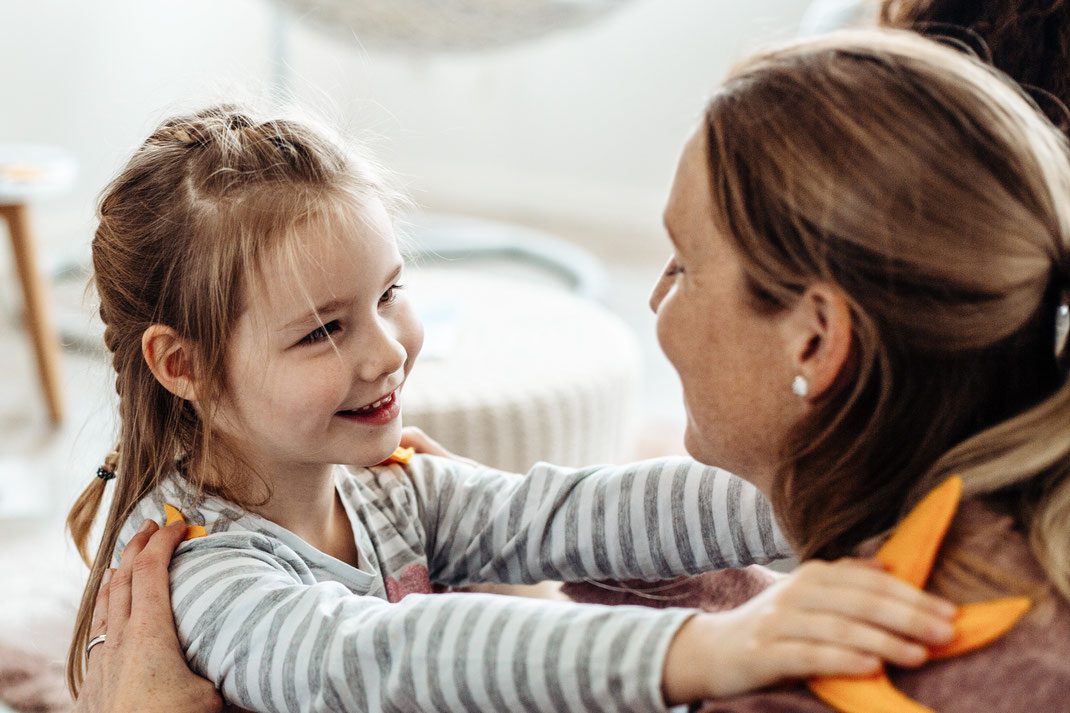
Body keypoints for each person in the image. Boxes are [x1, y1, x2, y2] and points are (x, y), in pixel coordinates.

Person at [64, 104, 954, 712]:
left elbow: (572, 514)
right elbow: (384, 656)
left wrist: (850, 492)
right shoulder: (198, 578)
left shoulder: (380, 486)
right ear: (184, 365)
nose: (385, 350)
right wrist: (709, 649)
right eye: (323, 331)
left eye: (389, 294)